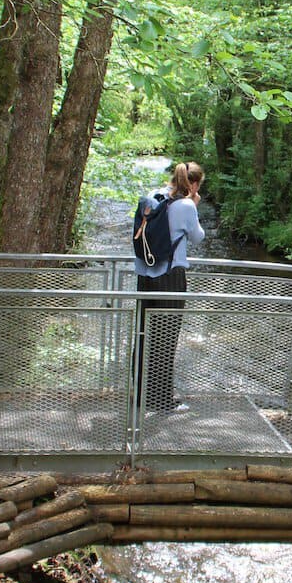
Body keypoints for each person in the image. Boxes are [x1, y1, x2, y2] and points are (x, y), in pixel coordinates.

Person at [133, 160, 205, 413]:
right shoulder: (186, 205)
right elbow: (198, 237)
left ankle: (139, 395)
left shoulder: (153, 196)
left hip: (145, 275)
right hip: (170, 277)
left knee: (143, 335)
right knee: (165, 338)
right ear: (193, 184)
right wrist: (194, 205)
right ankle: (161, 400)